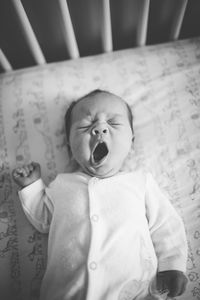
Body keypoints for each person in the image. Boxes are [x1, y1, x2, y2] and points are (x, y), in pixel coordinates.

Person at [12, 90, 188, 300]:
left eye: (113, 123)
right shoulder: (61, 184)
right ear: (69, 144)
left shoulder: (140, 182)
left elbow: (165, 223)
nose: (99, 128)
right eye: (85, 126)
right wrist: (31, 187)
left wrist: (172, 265)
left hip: (134, 291)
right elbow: (44, 220)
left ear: (131, 139)